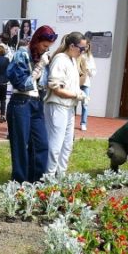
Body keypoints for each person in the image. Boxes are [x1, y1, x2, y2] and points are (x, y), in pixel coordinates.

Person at [6, 25, 57, 183]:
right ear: (36, 41)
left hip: (36, 102)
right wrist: (40, 66)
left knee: (41, 143)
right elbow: (21, 83)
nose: (45, 50)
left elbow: (42, 85)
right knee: (21, 144)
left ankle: (37, 180)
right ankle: (20, 182)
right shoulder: (21, 54)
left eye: (48, 47)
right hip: (21, 102)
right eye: (44, 46)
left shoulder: (40, 56)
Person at [42, 33, 89, 179]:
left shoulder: (73, 60)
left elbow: (72, 85)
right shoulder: (59, 59)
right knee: (55, 145)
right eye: (82, 48)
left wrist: (80, 93)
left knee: (67, 144)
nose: (83, 51)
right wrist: (77, 95)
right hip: (57, 106)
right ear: (72, 46)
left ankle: (61, 175)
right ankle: (49, 177)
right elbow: (57, 89)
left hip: (69, 107)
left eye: (85, 48)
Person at [77, 38, 96, 132]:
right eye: (85, 45)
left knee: (85, 103)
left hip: (86, 83)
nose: (86, 47)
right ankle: (71, 120)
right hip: (76, 82)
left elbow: (94, 73)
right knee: (74, 103)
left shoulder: (90, 57)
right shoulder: (77, 54)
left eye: (88, 45)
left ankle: (83, 123)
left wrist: (89, 70)